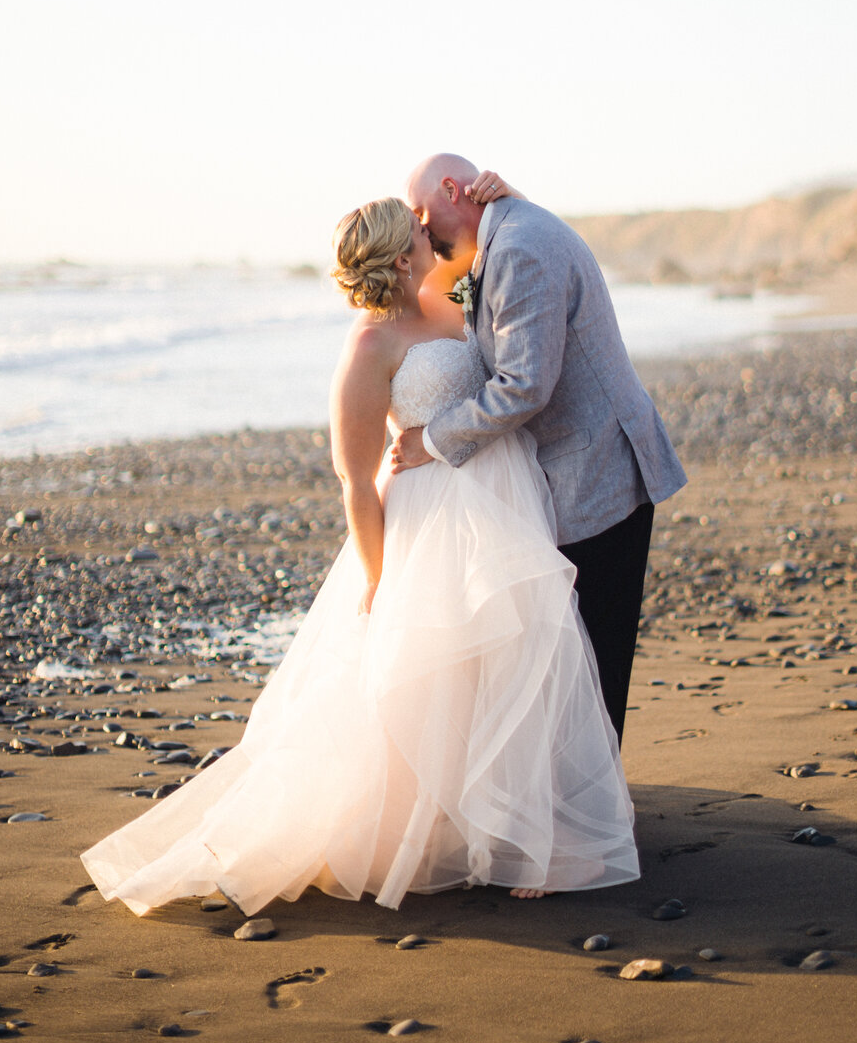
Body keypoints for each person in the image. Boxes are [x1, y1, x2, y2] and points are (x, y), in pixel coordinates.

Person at [80, 188, 639, 916]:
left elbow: (504, 258)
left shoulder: (448, 294)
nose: (428, 226)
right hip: (429, 517)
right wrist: (378, 578)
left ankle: (524, 831)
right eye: (417, 226)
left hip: (503, 495)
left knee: (517, 662)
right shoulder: (370, 345)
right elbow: (355, 481)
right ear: (401, 250)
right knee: (435, 673)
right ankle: (449, 826)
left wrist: (505, 193)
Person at [393, 154, 687, 742]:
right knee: (576, 651)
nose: (423, 231)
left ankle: (593, 818)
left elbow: (524, 386)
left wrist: (431, 439)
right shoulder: (512, 231)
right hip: (586, 463)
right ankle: (585, 800)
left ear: (454, 190)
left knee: (592, 654)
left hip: (597, 469)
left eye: (425, 215)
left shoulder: (520, 248)